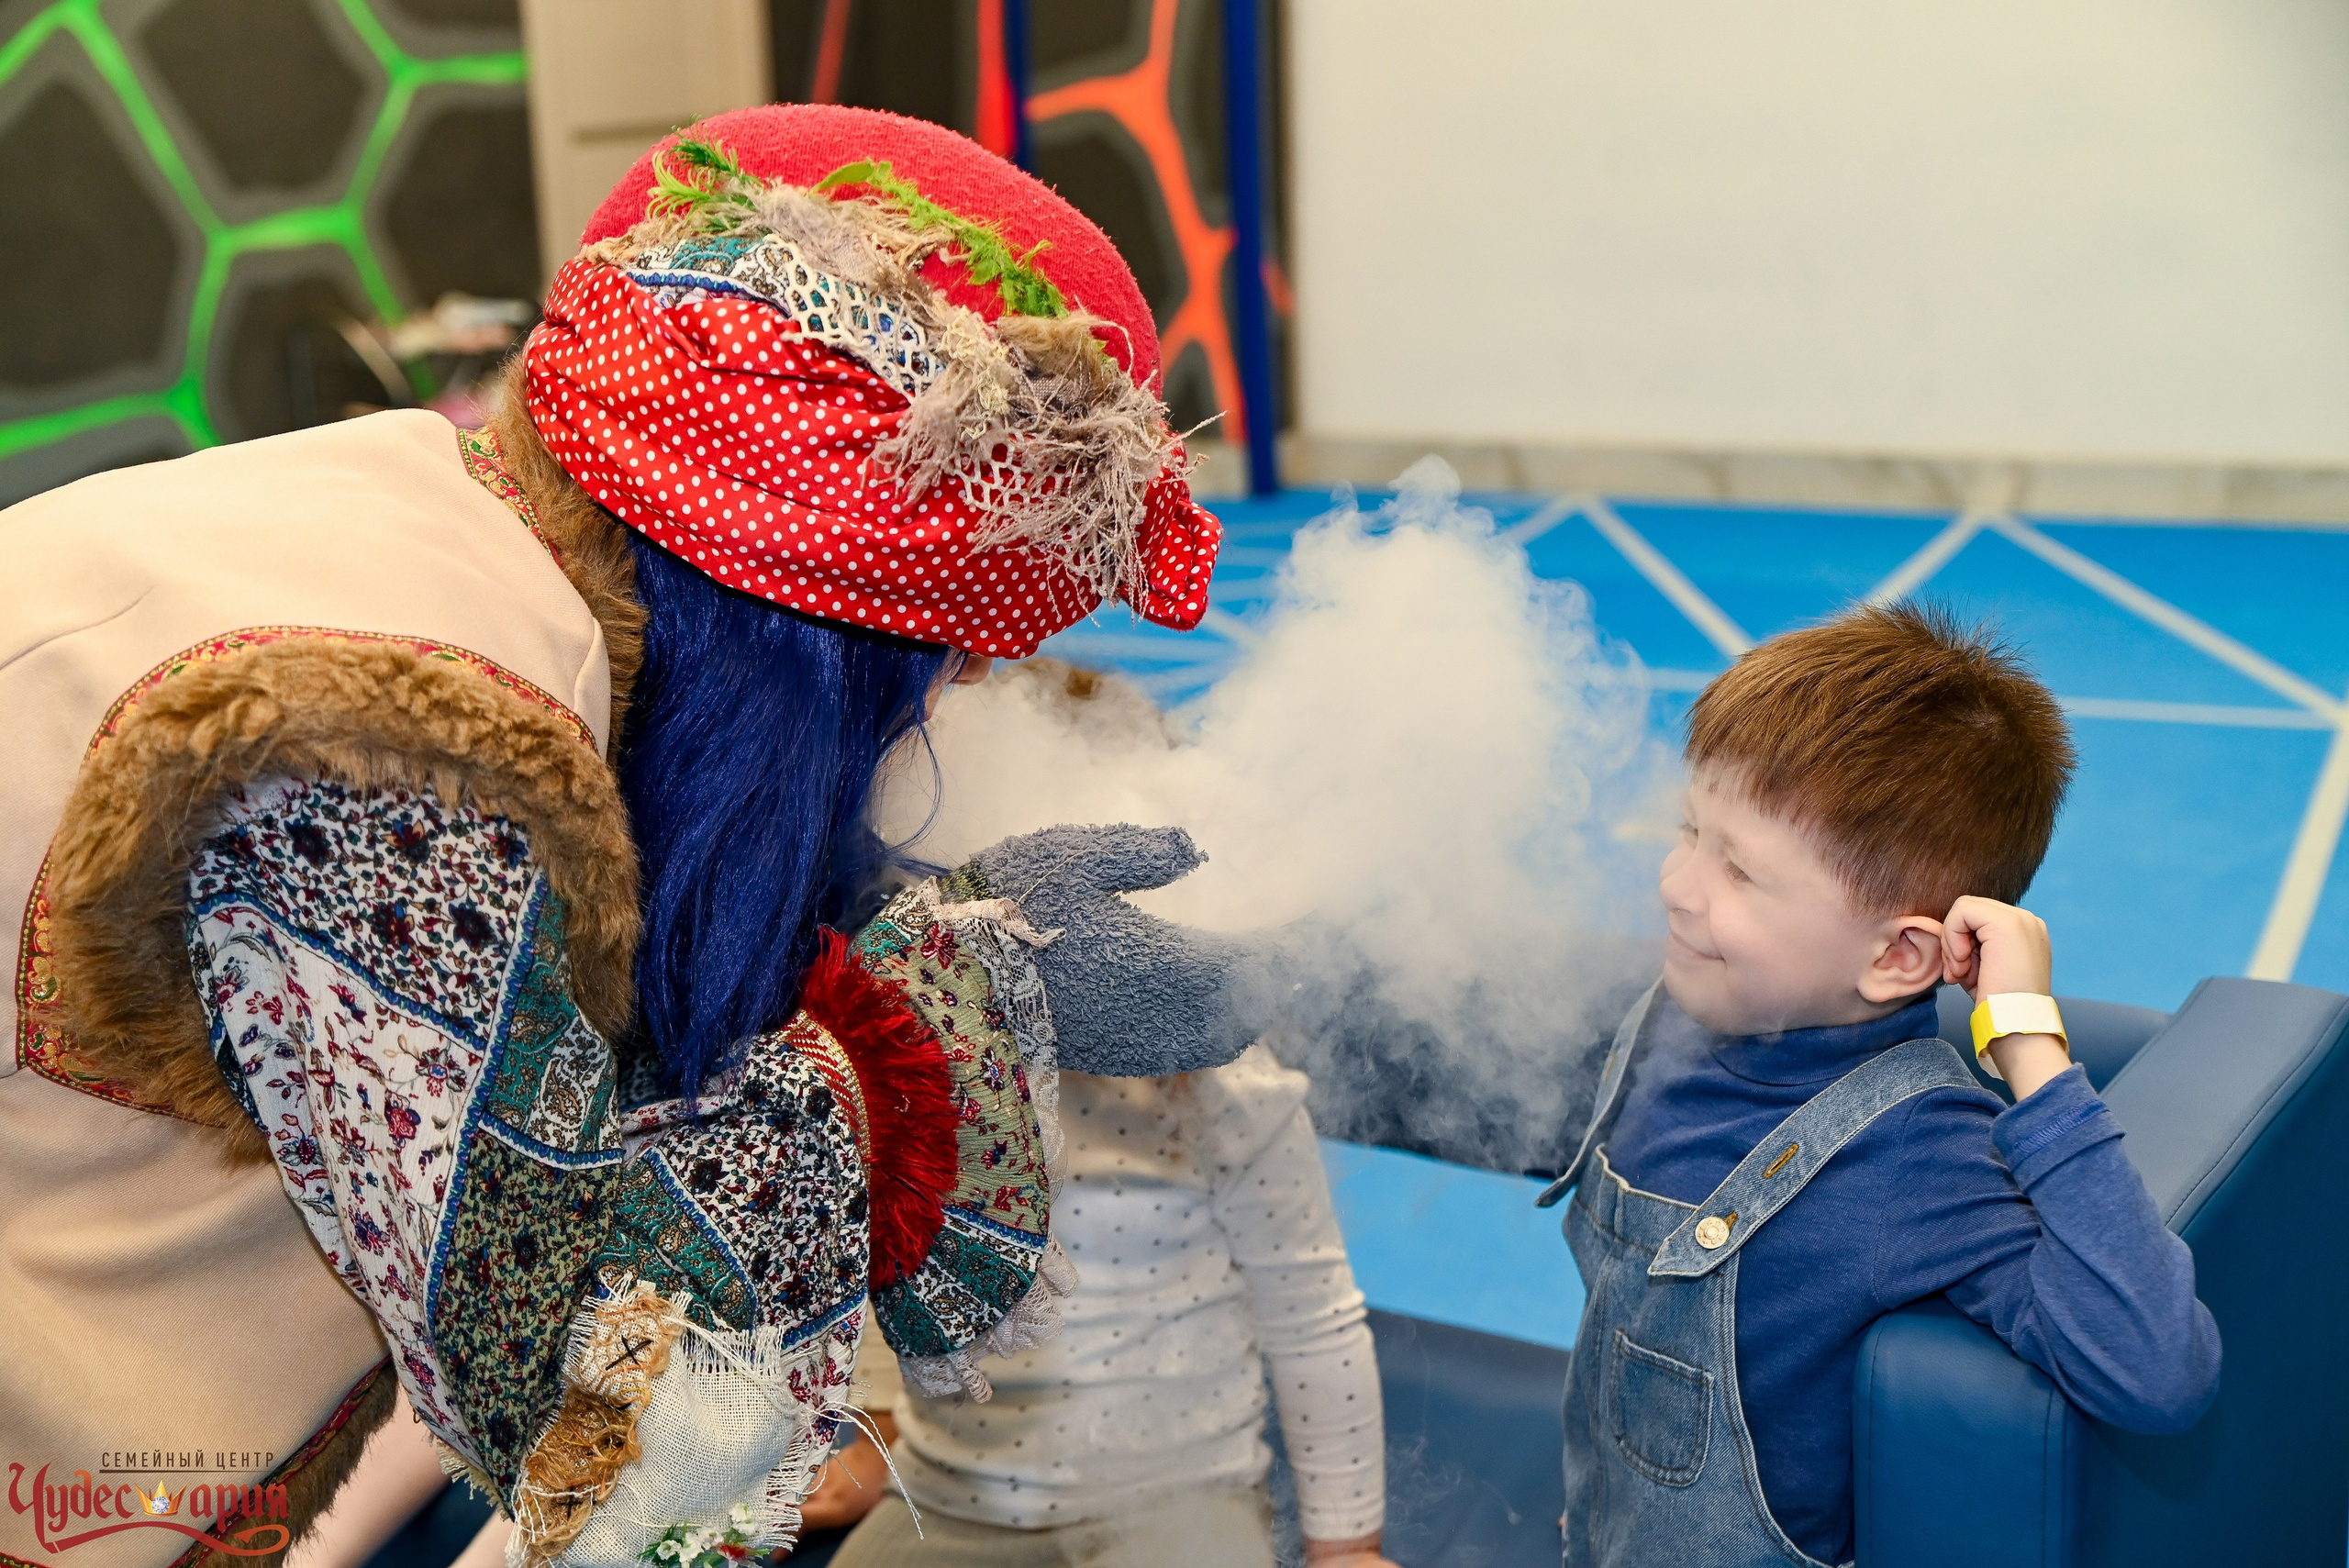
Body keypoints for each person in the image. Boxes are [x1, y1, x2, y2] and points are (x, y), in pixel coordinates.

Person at [0, 103, 1256, 1568]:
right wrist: (955, 997)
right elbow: (606, 1400)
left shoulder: (436, 511)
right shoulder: (389, 750)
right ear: (801, 633)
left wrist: (861, 919)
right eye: (932, 668)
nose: (946, 704)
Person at [1538, 602, 2221, 1568]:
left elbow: (2156, 1368)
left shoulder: (1914, 1157)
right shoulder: (1664, 1024)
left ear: (1900, 955)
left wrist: (2028, 1041)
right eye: (1689, 830)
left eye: (1739, 871)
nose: (1676, 884)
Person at [826, 1049, 1394, 1568]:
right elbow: (884, 1256)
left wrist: (1345, 1548)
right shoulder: (929, 1044)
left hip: (1178, 1495)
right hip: (951, 1493)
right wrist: (879, 1448)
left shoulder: (1231, 1085)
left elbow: (1312, 1325)